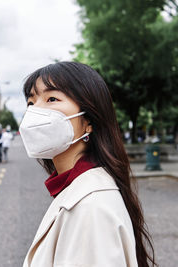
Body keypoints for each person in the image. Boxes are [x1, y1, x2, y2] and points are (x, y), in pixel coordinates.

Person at [19, 62, 155, 267]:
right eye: (31, 102)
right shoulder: (78, 188)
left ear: (89, 120)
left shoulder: (92, 206)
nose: (35, 112)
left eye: (52, 99)